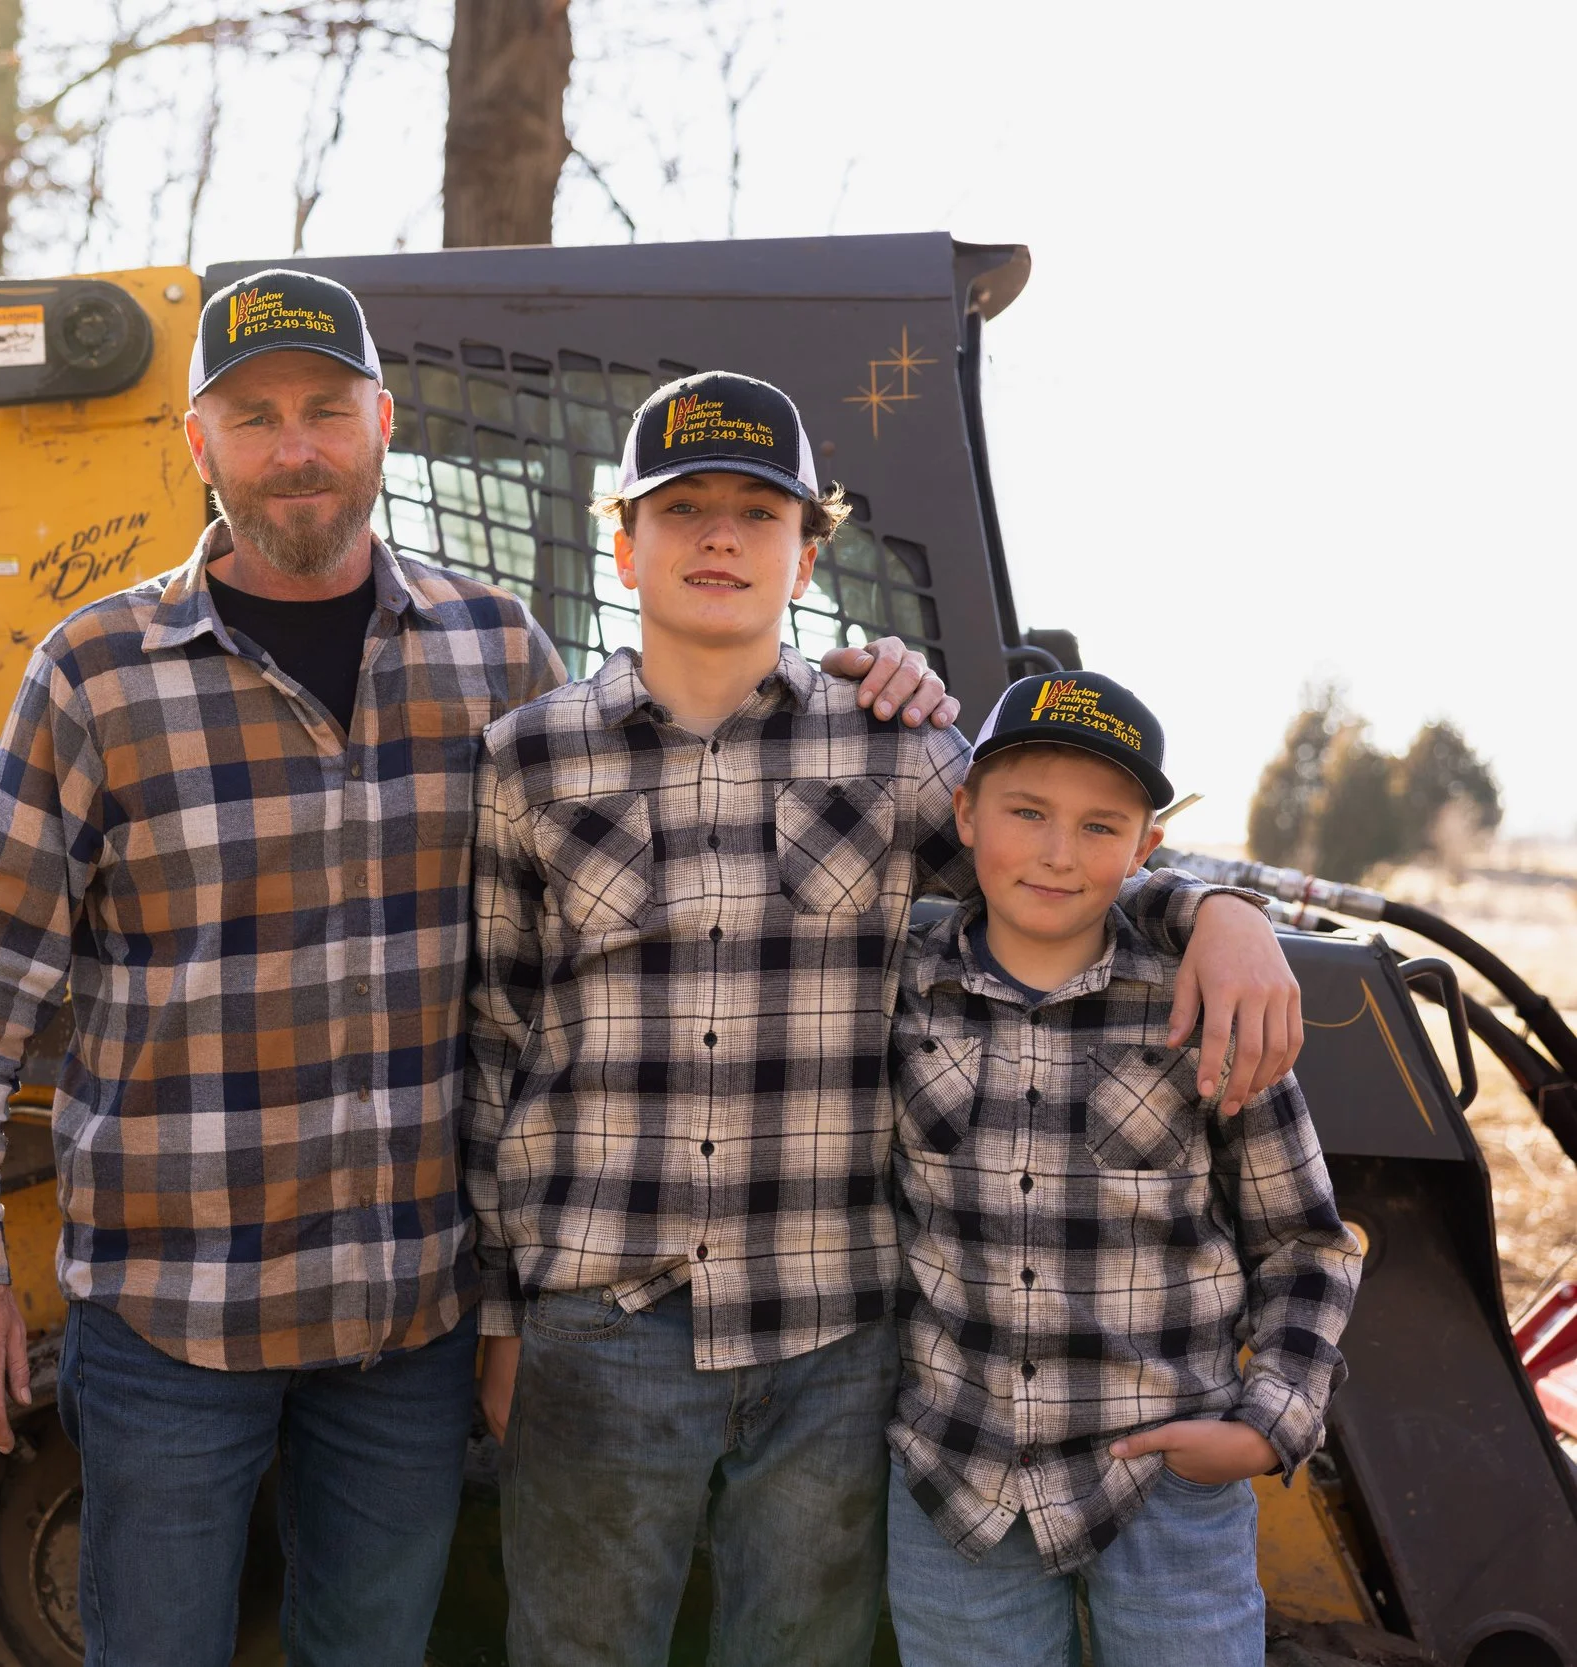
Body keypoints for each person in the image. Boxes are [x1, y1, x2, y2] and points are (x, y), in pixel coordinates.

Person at [0, 276, 959, 1667]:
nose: (296, 446)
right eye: (256, 416)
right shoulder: (97, 674)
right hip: (173, 1313)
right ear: (197, 441)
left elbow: (632, 836)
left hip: (404, 1316)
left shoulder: (493, 651)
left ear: (381, 425)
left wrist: (889, 676)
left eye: (328, 410)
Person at [463, 371, 1304, 1667]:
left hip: (834, 1331)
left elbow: (1062, 872)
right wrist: (503, 1311)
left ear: (810, 552)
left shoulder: (902, 748)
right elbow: (500, 1038)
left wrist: (1215, 906)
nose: (723, 537)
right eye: (684, 509)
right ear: (624, 542)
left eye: (760, 511)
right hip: (601, 1316)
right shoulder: (528, 758)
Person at [884, 671, 1360, 1667]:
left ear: (1145, 849)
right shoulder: (902, 994)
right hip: (955, 1485)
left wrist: (1269, 1423)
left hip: (1159, 1487)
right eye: (1027, 812)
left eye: (1101, 827)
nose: (1059, 853)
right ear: (964, 812)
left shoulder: (1203, 1007)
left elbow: (1302, 1240)